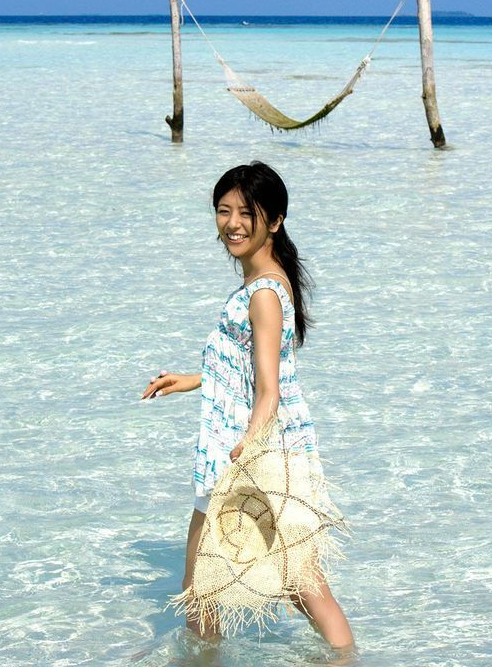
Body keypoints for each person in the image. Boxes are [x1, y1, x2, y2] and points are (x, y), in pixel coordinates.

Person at [142, 161, 354, 653]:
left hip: (249, 452)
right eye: (223, 211)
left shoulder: (263, 294)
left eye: (246, 213)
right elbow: (254, 366)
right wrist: (193, 380)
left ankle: (339, 659)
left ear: (274, 221)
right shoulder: (265, 283)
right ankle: (345, 659)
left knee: (212, 587)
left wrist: (246, 453)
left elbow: (269, 391)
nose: (232, 224)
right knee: (295, 580)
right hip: (260, 447)